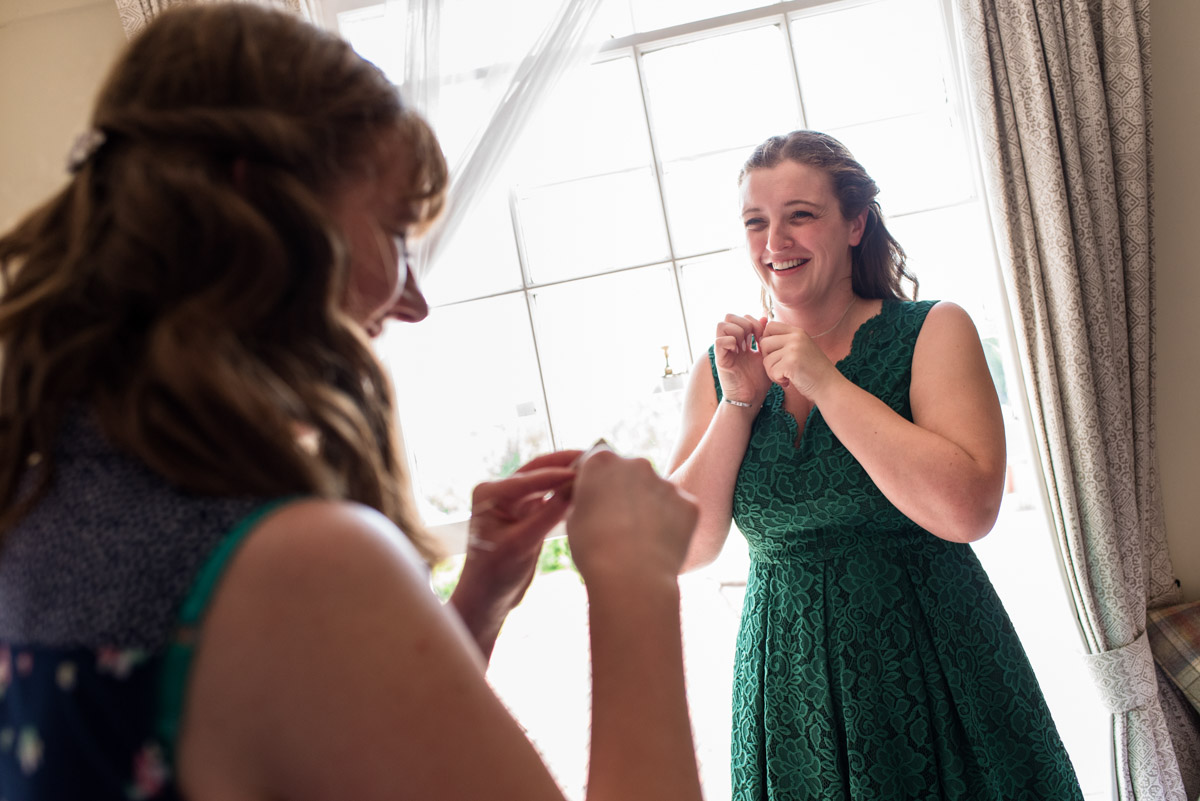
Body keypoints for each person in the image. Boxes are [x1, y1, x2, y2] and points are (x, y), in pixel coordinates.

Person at [0, 5, 705, 800]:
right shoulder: (294, 559)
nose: (412, 302)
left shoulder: (41, 498)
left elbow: (313, 736)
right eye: (398, 233)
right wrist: (634, 581)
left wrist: (477, 599)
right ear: (260, 208)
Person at [667, 130, 1083, 799]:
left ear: (855, 222)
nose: (775, 239)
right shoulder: (720, 373)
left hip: (934, 673)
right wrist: (738, 403)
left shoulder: (934, 330)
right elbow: (681, 548)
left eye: (800, 214)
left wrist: (825, 382)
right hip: (789, 698)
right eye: (756, 221)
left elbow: (968, 508)